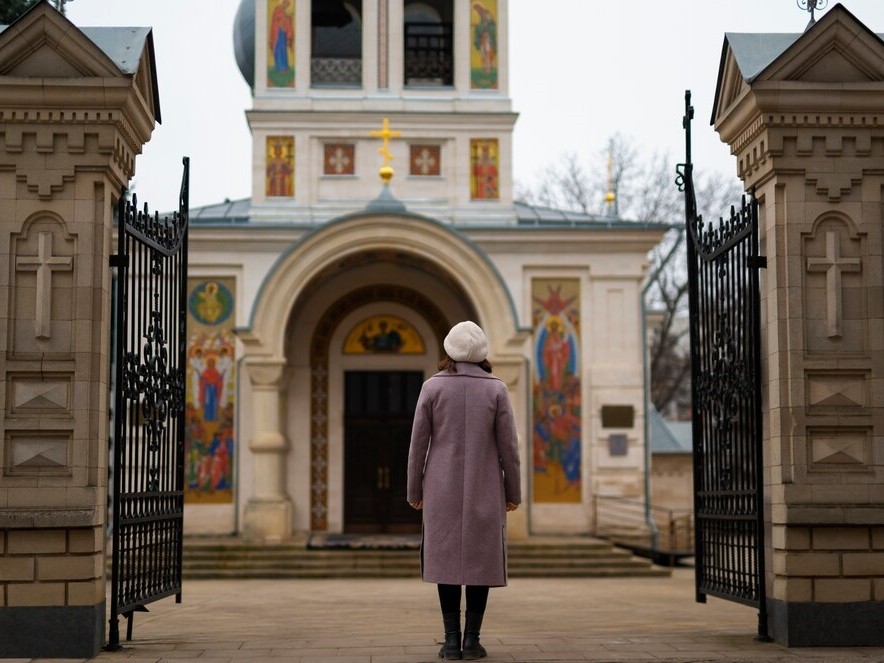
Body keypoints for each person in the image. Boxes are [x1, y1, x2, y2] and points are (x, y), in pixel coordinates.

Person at [407, 321, 521, 660]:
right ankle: (472, 641)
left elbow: (418, 444)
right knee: (480, 563)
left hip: (440, 490)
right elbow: (508, 449)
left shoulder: (432, 388)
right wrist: (513, 492)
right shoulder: (497, 389)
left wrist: (414, 490)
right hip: (485, 490)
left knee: (446, 565)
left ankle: (451, 641)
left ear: (449, 350)